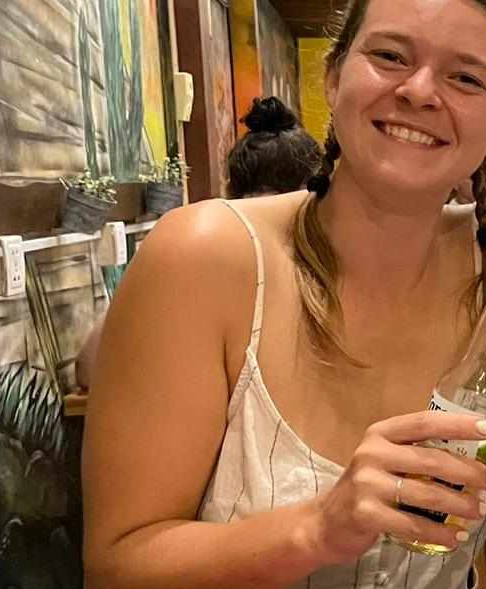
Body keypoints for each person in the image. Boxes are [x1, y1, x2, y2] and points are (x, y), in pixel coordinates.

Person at [82, 0, 486, 589]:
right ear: (332, 78)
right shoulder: (205, 255)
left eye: (465, 78)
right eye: (390, 56)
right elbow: (118, 576)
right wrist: (320, 527)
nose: (419, 91)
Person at [76, 97, 321, 391]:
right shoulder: (308, 265)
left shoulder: (197, 247)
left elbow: (89, 367)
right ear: (307, 191)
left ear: (231, 187)